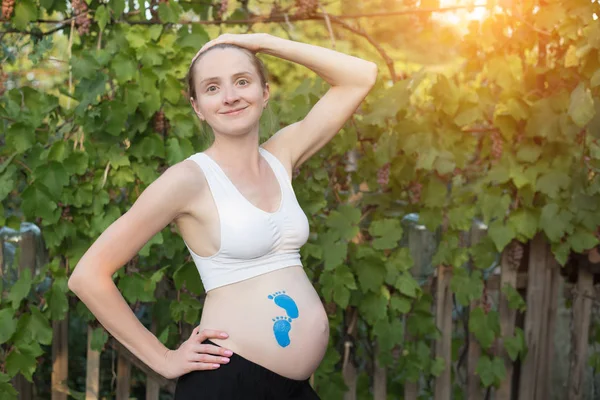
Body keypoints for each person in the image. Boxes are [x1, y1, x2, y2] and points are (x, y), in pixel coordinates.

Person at [68, 33, 377, 399]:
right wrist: (164, 359)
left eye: (242, 81)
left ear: (265, 92)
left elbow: (360, 76)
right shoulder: (189, 180)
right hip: (228, 383)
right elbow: (88, 276)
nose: (230, 96)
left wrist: (259, 41)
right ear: (197, 106)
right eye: (212, 87)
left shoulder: (282, 156)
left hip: (292, 388)